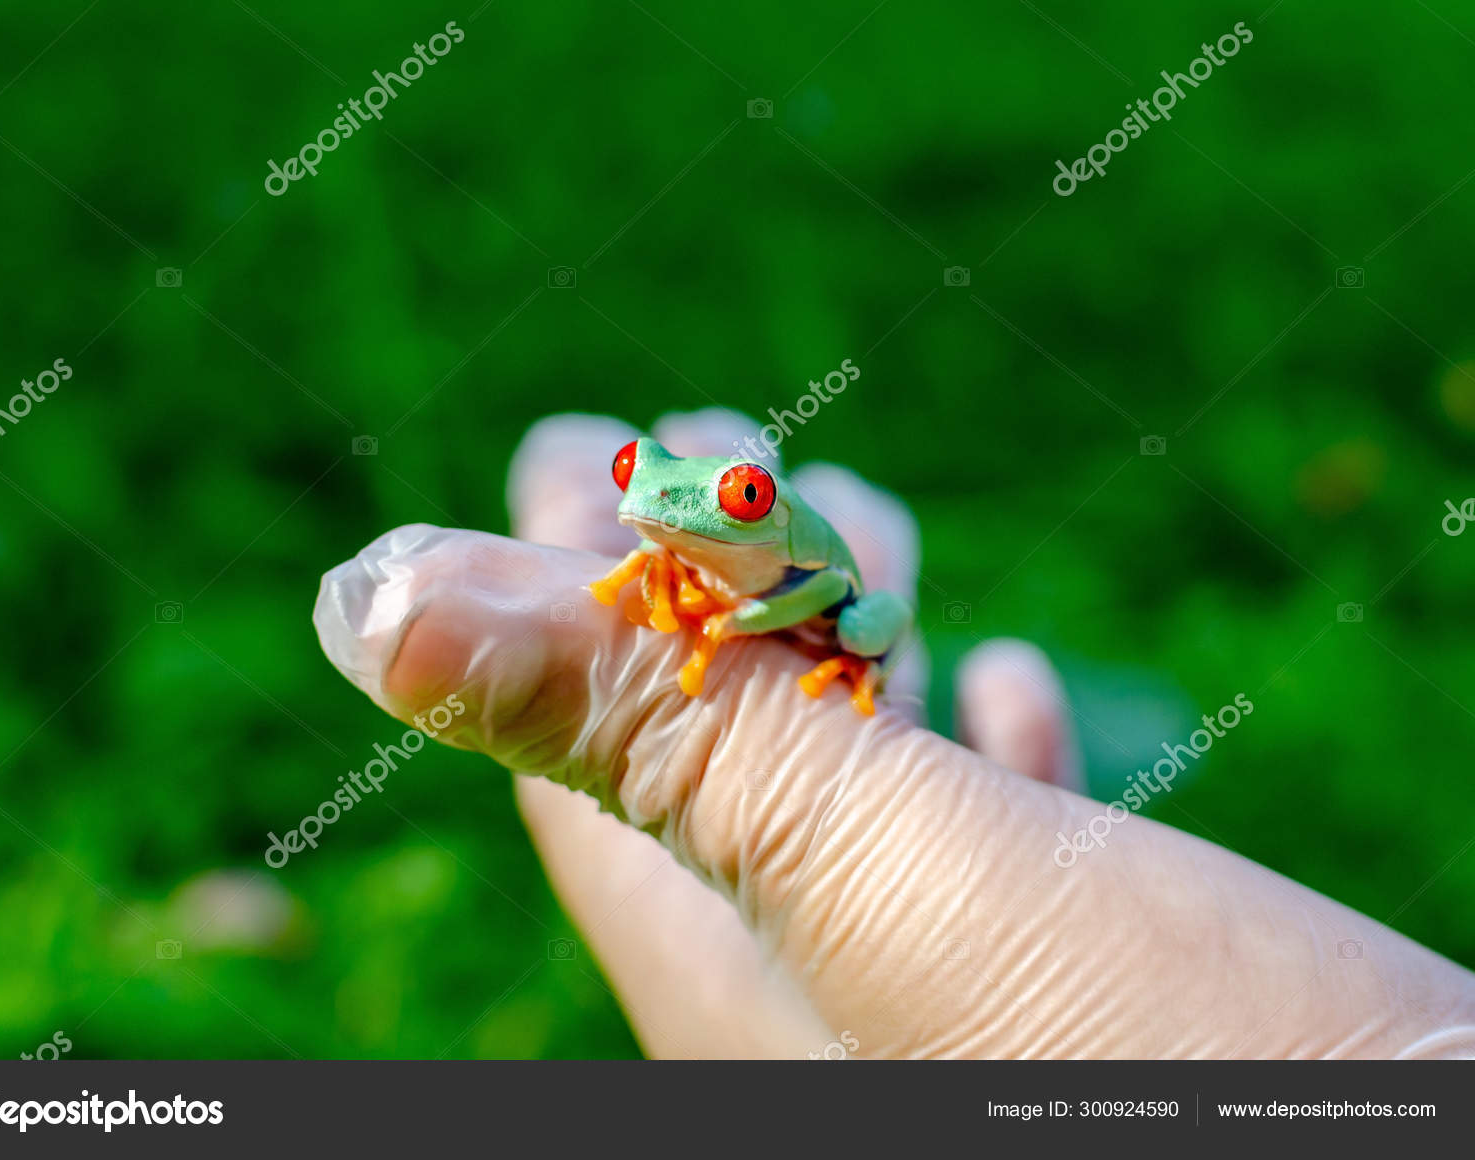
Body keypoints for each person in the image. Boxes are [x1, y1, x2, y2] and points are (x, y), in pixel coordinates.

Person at [313, 410, 1475, 1059]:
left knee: (868, 624)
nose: (651, 490)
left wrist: (728, 656)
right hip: (734, 585)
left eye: (735, 496)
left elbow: (795, 596)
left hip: (824, 609)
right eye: (634, 473)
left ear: (758, 505)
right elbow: (662, 533)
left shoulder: (774, 542)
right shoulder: (674, 512)